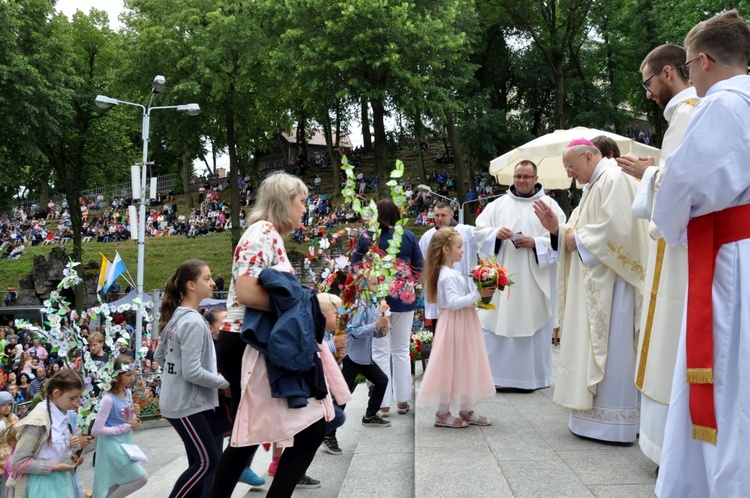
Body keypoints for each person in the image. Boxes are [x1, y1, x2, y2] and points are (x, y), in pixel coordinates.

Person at [651, 11, 750, 497]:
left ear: (703, 62)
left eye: (688, 68)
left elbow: (681, 186)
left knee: (728, 380)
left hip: (730, 258)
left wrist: (665, 219)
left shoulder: (721, 105)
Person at [211, 173, 331, 497]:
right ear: (284, 201)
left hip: (249, 340)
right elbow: (248, 293)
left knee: (246, 437)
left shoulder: (268, 234)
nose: (306, 208)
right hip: (248, 341)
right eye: (302, 200)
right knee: (312, 427)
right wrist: (299, 307)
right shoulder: (261, 232)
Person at [534, 138, 649, 443]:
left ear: (588, 157)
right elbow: (577, 229)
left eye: (571, 167)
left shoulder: (614, 178)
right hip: (597, 281)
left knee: (614, 349)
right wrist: (557, 231)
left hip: (615, 286)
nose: (570, 175)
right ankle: (592, 417)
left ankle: (615, 421)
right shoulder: (593, 186)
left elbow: (619, 229)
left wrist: (577, 240)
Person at [615, 44, 698, 467]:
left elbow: (681, 186)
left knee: (669, 338)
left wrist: (647, 173)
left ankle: (670, 449)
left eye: (648, 83)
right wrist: (656, 167)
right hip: (682, 246)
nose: (647, 93)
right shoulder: (688, 113)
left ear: (668, 72)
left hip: (679, 252)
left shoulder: (686, 114)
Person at [474, 160, 566, 390]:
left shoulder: (549, 205)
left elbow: (562, 236)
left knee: (532, 321)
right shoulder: (498, 205)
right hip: (502, 277)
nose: (521, 181)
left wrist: (535, 242)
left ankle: (531, 380)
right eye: (517, 176)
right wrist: (496, 234)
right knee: (495, 323)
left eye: (526, 177)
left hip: (534, 281)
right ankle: (496, 378)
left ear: (536, 179)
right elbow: (479, 231)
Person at [154, 259, 230, 498]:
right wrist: (226, 382)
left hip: (180, 402)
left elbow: (160, 356)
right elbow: (193, 372)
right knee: (208, 462)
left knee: (199, 463)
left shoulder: (179, 316)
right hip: (186, 405)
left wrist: (175, 379)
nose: (212, 282)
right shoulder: (194, 321)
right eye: (206, 278)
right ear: (191, 285)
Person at [351, 198, 424, 417]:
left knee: (380, 351)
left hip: (377, 300)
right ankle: (402, 401)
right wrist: (408, 281)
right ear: (396, 216)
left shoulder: (366, 237)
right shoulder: (408, 236)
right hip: (404, 298)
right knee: (401, 350)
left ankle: (383, 403)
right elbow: (419, 266)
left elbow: (354, 267)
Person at [417, 228, 496, 427]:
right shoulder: (447, 275)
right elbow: (453, 303)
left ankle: (466, 408)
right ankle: (442, 413)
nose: (462, 250)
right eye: (459, 247)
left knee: (465, 362)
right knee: (451, 365)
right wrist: (478, 294)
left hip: (461, 322)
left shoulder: (451, 272)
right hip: (455, 324)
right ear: (445, 249)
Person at [10, 369, 92, 498]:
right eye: (72, 398)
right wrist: (55, 467)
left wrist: (73, 455)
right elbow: (18, 462)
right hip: (42, 486)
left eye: (79, 397)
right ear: (56, 393)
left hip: (62, 481)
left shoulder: (64, 414)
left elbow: (55, 449)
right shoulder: (38, 421)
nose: (77, 402)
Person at [91, 355, 148, 498]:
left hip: (125, 444)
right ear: (118, 375)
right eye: (128, 375)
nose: (132, 378)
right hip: (112, 446)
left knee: (116, 484)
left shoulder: (127, 392)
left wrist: (136, 417)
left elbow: (129, 421)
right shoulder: (108, 398)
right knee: (141, 478)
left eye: (133, 375)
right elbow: (96, 430)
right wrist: (123, 427)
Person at [418, 202, 478, 333]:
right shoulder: (427, 236)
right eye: (437, 215)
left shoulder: (466, 231)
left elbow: (484, 242)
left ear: (451, 214)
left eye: (443, 215)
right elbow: (422, 262)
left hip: (462, 281)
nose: (440, 218)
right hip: (438, 287)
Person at [0, 391, 19, 496]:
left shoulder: (14, 418)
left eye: (9, 404)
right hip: (0, 454)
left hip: (10, 455)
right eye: (3, 405)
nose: (7, 407)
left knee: (7, 484)